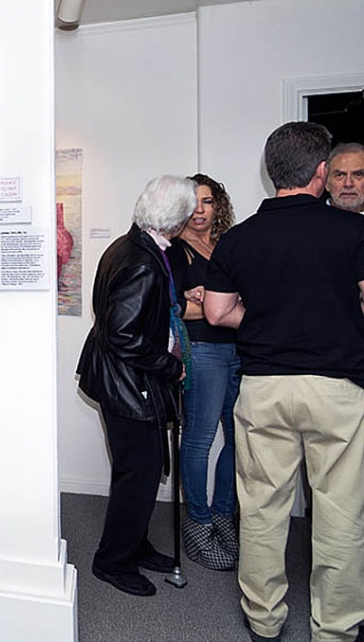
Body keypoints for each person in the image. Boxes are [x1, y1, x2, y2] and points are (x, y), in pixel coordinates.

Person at [205, 122, 364, 642]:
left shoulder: (239, 238)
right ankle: (336, 630)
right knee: (340, 515)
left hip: (263, 388)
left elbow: (216, 310)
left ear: (272, 173)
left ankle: (265, 621)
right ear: (322, 172)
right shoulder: (353, 230)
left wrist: (271, 317)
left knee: (262, 509)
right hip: (335, 389)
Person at [76, 175, 196, 597]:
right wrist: (170, 366)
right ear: (178, 220)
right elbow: (122, 334)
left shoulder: (130, 246)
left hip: (125, 382)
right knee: (138, 475)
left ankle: (136, 545)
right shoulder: (143, 261)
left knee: (139, 473)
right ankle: (112, 561)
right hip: (128, 386)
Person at [165, 174, 240, 571]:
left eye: (207, 201)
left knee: (241, 438)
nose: (199, 210)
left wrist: (210, 299)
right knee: (198, 439)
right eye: (193, 202)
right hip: (204, 351)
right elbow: (173, 308)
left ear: (218, 206)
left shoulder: (227, 246)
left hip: (240, 351)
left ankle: (223, 514)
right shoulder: (176, 250)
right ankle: (199, 522)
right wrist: (211, 302)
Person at [325, 142, 364, 213]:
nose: (348, 184)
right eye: (340, 175)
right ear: (326, 183)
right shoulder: (309, 219)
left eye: (358, 175)